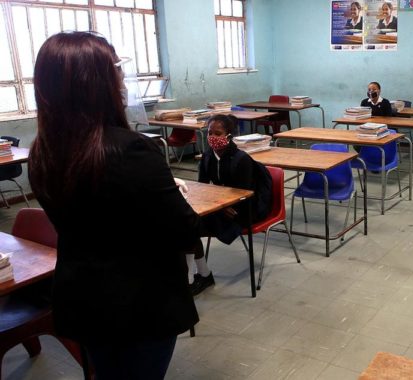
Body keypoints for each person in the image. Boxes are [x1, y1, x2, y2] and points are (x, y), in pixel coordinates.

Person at [28, 31, 200, 379]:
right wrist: (173, 194)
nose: (122, 78)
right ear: (99, 82)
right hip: (140, 305)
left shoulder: (42, 151)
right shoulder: (130, 150)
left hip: (83, 298)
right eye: (117, 69)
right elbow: (184, 230)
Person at [187, 114, 273, 295]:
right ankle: (199, 275)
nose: (212, 137)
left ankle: (198, 276)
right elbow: (202, 187)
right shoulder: (208, 156)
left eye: (217, 133)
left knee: (189, 228)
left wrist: (221, 205)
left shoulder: (241, 160)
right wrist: (217, 204)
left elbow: (243, 195)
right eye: (210, 132)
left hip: (243, 210)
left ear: (229, 136)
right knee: (186, 225)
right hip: (221, 207)